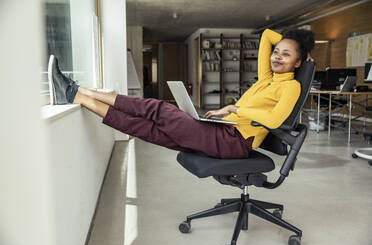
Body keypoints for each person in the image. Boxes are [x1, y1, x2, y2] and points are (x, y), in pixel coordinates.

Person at [48, 28, 314, 159]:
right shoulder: (268, 77)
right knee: (147, 129)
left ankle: (77, 89)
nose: (277, 56)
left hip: (236, 141)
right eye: (277, 52)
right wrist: (294, 43)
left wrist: (234, 109)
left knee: (159, 109)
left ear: (298, 62)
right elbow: (267, 36)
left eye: (286, 54)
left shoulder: (291, 86)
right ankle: (77, 97)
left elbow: (277, 120)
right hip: (227, 131)